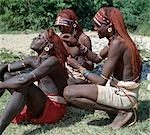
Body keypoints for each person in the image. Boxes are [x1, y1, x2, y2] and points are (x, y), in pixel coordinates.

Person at [61, 7, 142, 129]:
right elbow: (97, 58)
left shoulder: (117, 43)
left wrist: (78, 67)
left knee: (69, 93)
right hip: (120, 89)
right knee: (71, 85)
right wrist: (77, 44)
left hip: (124, 95)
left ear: (108, 25)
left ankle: (122, 112)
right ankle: (119, 109)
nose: (95, 29)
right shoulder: (117, 40)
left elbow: (101, 81)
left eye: (97, 25)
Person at [0, 28, 68, 134]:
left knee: (24, 84)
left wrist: (2, 85)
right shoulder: (33, 60)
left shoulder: (53, 61)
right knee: (6, 75)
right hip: (38, 103)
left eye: (40, 37)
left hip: (52, 107)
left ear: (48, 47)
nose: (35, 38)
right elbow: (6, 67)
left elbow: (26, 79)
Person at [55, 9, 94, 85]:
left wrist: (80, 63)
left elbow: (91, 65)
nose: (61, 29)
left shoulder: (83, 39)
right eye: (59, 26)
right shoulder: (61, 37)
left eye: (64, 26)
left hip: (80, 76)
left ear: (74, 24)